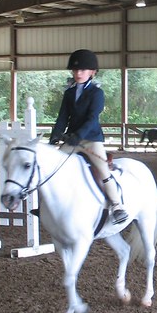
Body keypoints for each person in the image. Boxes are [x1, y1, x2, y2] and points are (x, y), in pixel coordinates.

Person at [49, 49, 128, 225]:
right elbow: (62, 116)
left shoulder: (96, 93)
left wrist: (78, 135)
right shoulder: (69, 93)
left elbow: (92, 118)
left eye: (83, 70)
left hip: (91, 139)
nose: (78, 73)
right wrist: (54, 137)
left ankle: (117, 206)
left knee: (103, 169)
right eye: (76, 70)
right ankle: (52, 205)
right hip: (72, 139)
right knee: (55, 167)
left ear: (92, 72)